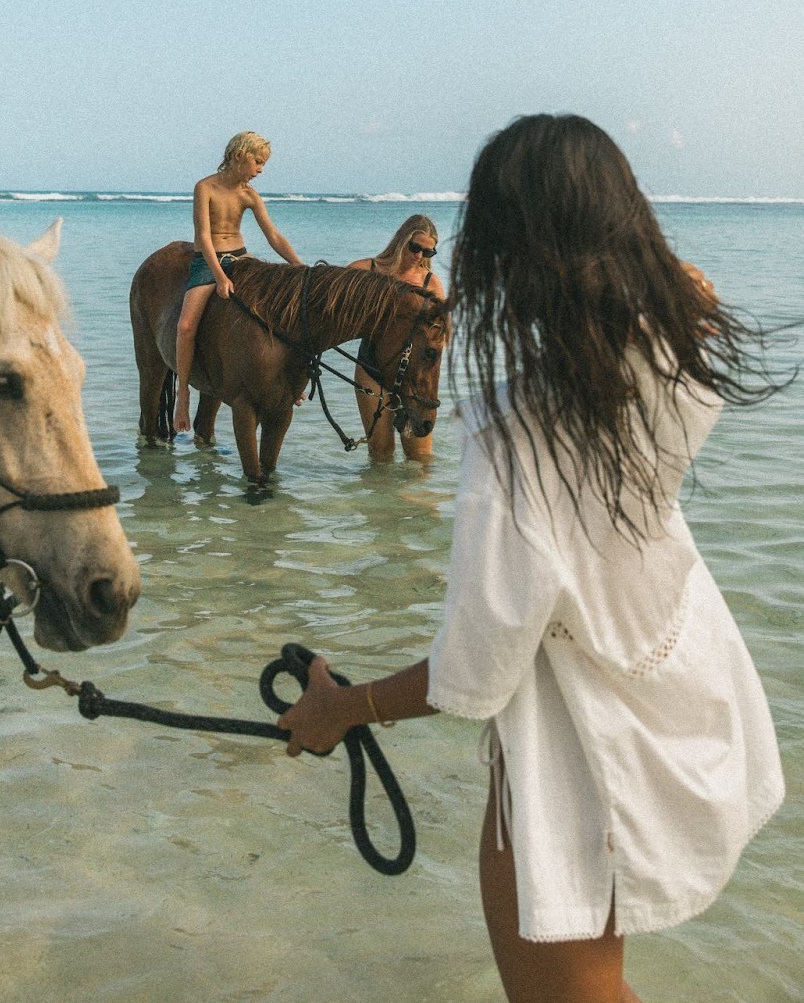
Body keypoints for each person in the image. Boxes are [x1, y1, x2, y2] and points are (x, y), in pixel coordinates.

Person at [278, 114, 786, 1003]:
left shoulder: (520, 437)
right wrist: (673, 289)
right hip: (672, 702)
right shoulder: (671, 360)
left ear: (505, 260)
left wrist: (341, 709)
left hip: (578, 760)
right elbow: (683, 303)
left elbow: (474, 674)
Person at [173, 131, 302, 435]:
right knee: (186, 326)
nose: (261, 169)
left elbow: (273, 235)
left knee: (275, 312)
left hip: (242, 258)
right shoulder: (205, 188)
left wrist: (297, 265)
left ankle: (290, 384)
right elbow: (203, 236)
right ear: (238, 155)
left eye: (264, 164)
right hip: (208, 261)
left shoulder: (249, 195)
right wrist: (219, 276)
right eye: (258, 162)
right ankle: (183, 396)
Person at [348, 214, 447, 460]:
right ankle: (380, 499)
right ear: (401, 240)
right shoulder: (366, 270)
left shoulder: (430, 282)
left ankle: (414, 500)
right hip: (372, 368)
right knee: (380, 455)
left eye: (428, 252)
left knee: (420, 458)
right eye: (415, 247)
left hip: (414, 376)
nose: (419, 256)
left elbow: (441, 336)